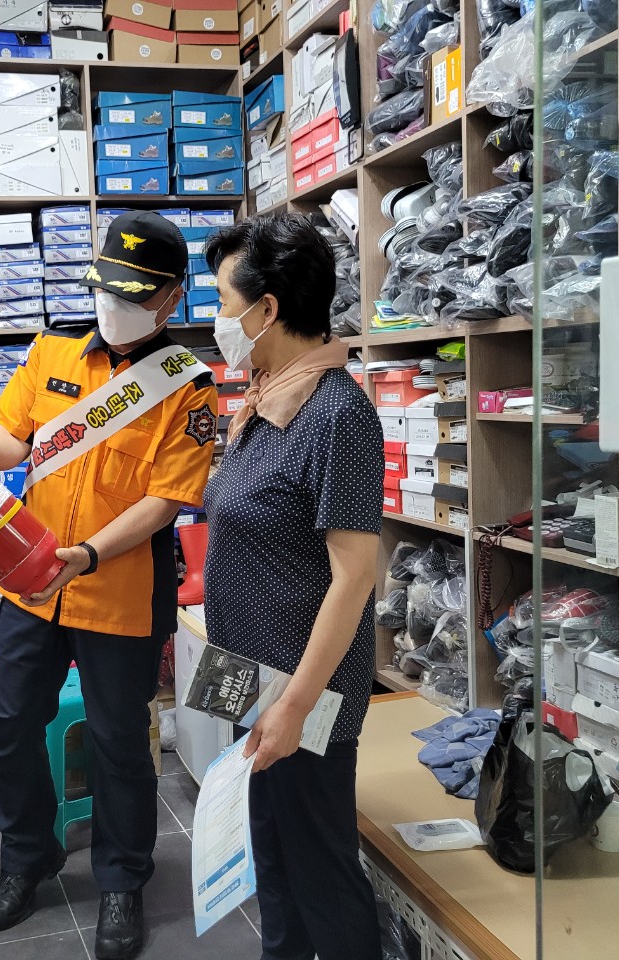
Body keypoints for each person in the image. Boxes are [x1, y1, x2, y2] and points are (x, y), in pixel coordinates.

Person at [0, 211, 218, 960]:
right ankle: (28, 857)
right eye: (106, 289)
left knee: (119, 742)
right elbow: (10, 439)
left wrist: (87, 554)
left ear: (171, 298)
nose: (112, 305)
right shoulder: (52, 349)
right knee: (11, 724)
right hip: (33, 584)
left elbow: (167, 501)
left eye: (132, 294)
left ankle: (122, 878)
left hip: (119, 588)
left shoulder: (188, 387)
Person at [201, 214, 385, 960]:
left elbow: (355, 577)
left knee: (320, 869)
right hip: (246, 672)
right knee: (268, 854)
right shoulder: (265, 397)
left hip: (303, 690)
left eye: (223, 301)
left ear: (267, 308)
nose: (217, 319)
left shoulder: (338, 414)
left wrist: (295, 706)